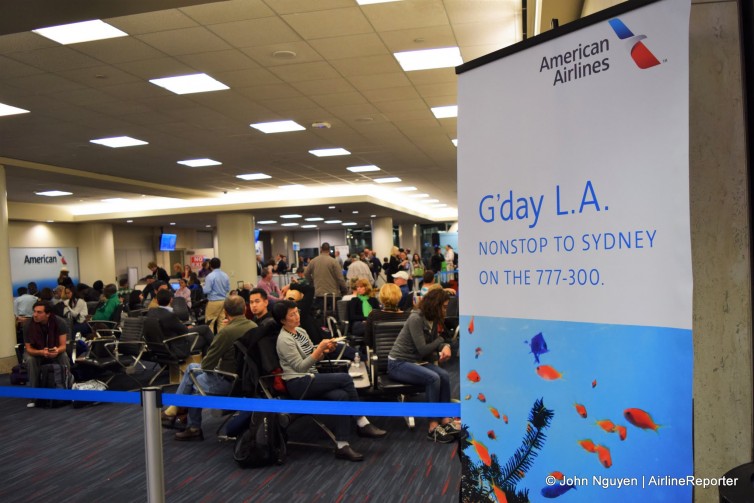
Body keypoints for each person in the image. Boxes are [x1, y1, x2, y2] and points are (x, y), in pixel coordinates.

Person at [273, 300, 386, 461]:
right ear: (283, 320)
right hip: (298, 382)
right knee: (345, 379)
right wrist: (319, 349)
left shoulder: (300, 331)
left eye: (297, 312)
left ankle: (342, 445)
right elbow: (300, 367)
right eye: (292, 315)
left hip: (311, 378)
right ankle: (362, 421)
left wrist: (325, 351)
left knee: (341, 396)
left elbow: (312, 357)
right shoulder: (284, 340)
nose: (297, 316)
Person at [167, 295, 256, 440]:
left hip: (229, 382)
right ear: (245, 309)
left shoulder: (226, 332)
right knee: (191, 368)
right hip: (246, 380)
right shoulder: (254, 326)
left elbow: (208, 365)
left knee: (194, 385)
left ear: (225, 312)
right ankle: (176, 411)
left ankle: (188, 422)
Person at [387, 288, 458, 443]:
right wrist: (441, 341)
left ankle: (445, 420)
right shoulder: (416, 318)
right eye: (444, 307)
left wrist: (443, 345)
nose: (446, 310)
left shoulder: (432, 318)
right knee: (433, 378)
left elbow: (434, 343)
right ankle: (433, 426)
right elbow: (423, 349)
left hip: (415, 361)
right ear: (435, 305)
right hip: (398, 364)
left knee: (444, 376)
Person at [23, 301, 70, 404]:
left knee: (64, 356)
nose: (35, 315)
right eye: (34, 312)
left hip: (54, 350)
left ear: (48, 314)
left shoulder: (59, 322)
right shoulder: (28, 325)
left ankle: (67, 388)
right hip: (36, 352)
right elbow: (29, 349)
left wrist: (57, 350)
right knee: (30, 359)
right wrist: (40, 352)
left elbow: (63, 346)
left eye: (39, 312)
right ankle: (35, 395)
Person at [147, 290, 213, 354]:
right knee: (205, 334)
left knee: (204, 331)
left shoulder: (151, 312)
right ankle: (216, 352)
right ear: (171, 300)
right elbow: (184, 331)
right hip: (176, 346)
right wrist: (187, 327)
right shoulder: (169, 315)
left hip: (160, 346)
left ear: (157, 300)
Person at [204, 257, 230, 330]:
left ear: (210, 265)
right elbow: (228, 289)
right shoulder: (225, 275)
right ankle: (221, 340)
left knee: (210, 322)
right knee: (221, 322)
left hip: (213, 301)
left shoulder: (210, 276)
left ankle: (210, 341)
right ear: (220, 265)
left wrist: (202, 288)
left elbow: (206, 290)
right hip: (224, 301)